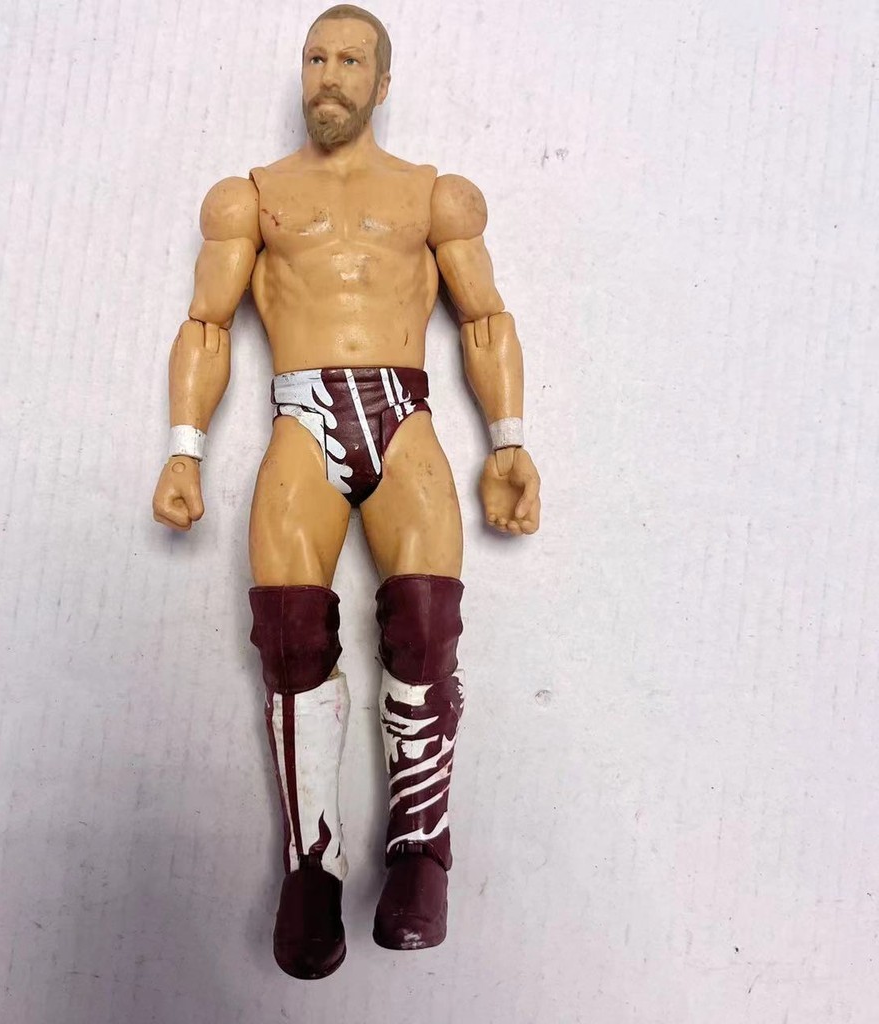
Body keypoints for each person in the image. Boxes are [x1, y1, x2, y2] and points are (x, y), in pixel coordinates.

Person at [152, 4, 540, 980]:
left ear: (383, 81)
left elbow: (485, 321)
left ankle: (421, 856)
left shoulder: (432, 197)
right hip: (304, 415)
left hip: (402, 412)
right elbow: (207, 325)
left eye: (351, 61)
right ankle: (310, 868)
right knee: (289, 642)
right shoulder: (251, 198)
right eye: (315, 57)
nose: (329, 76)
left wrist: (509, 441)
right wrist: (185, 449)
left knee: (426, 630)